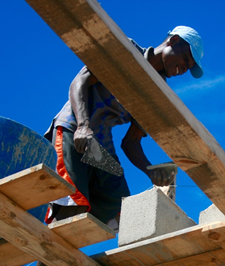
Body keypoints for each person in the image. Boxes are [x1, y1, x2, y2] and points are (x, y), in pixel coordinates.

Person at [44, 26, 204, 228]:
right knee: (72, 205)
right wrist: (83, 125)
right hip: (73, 128)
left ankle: (66, 254)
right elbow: (80, 82)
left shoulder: (155, 94)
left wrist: (151, 171)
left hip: (99, 148)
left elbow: (131, 143)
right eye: (186, 59)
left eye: (189, 67)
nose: (185, 68)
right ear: (173, 41)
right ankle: (51, 251)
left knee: (119, 208)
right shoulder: (127, 51)